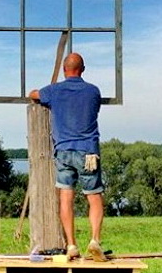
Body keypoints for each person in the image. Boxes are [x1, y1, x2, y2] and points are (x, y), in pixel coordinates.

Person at [29, 53, 107, 261]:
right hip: (88, 152)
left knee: (66, 197)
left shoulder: (54, 91)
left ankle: (71, 244)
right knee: (94, 196)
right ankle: (95, 240)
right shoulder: (93, 91)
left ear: (65, 70)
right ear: (83, 69)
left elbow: (33, 94)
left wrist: (43, 92)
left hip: (63, 151)